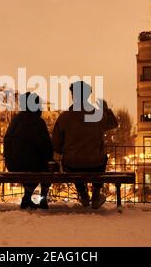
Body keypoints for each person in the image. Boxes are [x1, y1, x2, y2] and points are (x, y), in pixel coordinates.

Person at [52, 81, 118, 209]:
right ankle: (96, 195)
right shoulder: (97, 115)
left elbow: (56, 145)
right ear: (88, 95)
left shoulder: (64, 117)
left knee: (73, 162)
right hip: (95, 164)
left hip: (72, 164)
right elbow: (113, 123)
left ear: (72, 95)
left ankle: (83, 194)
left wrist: (67, 150)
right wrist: (106, 109)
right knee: (102, 157)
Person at [3, 92, 53, 209]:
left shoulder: (15, 120)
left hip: (13, 164)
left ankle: (27, 198)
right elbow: (46, 146)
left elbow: (7, 140)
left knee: (33, 164)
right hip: (31, 165)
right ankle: (43, 198)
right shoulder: (37, 122)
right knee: (49, 166)